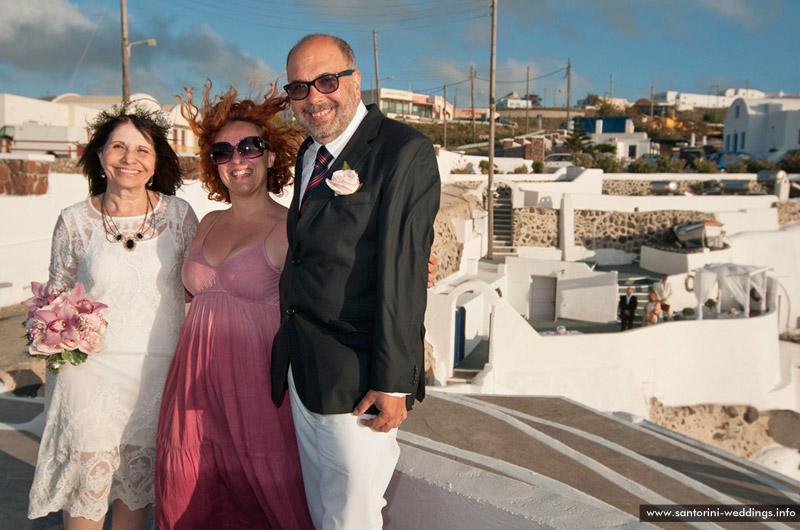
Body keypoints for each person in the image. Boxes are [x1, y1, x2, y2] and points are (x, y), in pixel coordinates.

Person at [271, 34, 441, 529]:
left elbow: (403, 272)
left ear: (355, 80)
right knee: (324, 510)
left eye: (326, 81)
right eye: (299, 88)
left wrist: (392, 382)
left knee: (353, 517)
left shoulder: (403, 151)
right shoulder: (309, 155)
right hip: (304, 369)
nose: (313, 98)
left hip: (359, 380)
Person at [28, 105, 199, 529]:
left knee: (134, 490)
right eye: (118, 147)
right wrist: (50, 334)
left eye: (142, 150)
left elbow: (197, 289)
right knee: (88, 487)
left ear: (156, 160)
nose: (129, 158)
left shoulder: (179, 217)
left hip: (155, 375)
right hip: (89, 376)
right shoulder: (73, 221)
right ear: (100, 155)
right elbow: (55, 296)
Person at [155, 81, 313, 529]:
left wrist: (417, 263)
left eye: (249, 146)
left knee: (266, 498)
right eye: (223, 152)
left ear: (270, 155)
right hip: (192, 391)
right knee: (190, 494)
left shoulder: (292, 226)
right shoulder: (206, 222)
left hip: (256, 395)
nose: (237, 159)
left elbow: (342, 278)